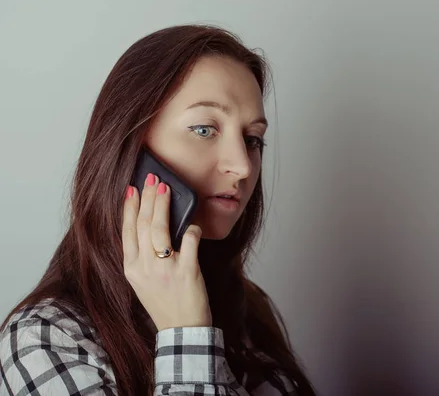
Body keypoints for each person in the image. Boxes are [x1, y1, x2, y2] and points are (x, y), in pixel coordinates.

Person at [0, 24, 316, 395]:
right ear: (130, 149)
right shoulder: (44, 341)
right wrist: (186, 335)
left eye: (252, 140)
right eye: (204, 129)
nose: (243, 166)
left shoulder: (248, 313)